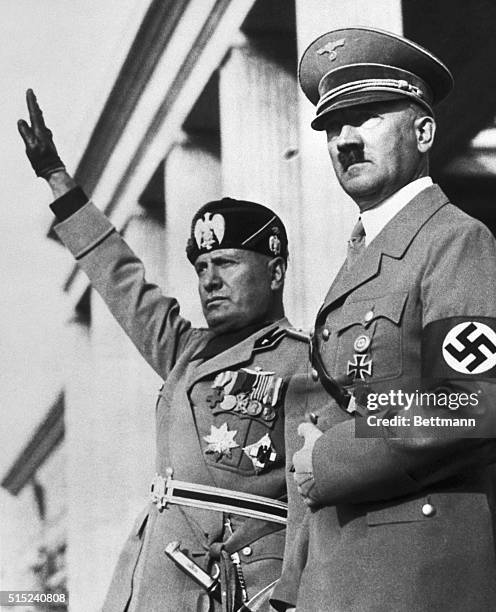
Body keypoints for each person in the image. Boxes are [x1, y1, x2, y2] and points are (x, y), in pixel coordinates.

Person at [18, 90, 308, 612]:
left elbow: (326, 494)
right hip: (161, 579)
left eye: (227, 263)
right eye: (202, 268)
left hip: (243, 590)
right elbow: (122, 281)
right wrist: (57, 179)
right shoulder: (186, 353)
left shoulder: (305, 362)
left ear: (275, 271)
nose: (210, 281)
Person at [271, 27, 496, 612]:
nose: (346, 140)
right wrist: (293, 586)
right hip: (345, 578)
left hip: (421, 577)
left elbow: (480, 404)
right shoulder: (364, 257)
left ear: (424, 131)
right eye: (335, 126)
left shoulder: (454, 242)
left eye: (369, 117)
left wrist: (330, 461)